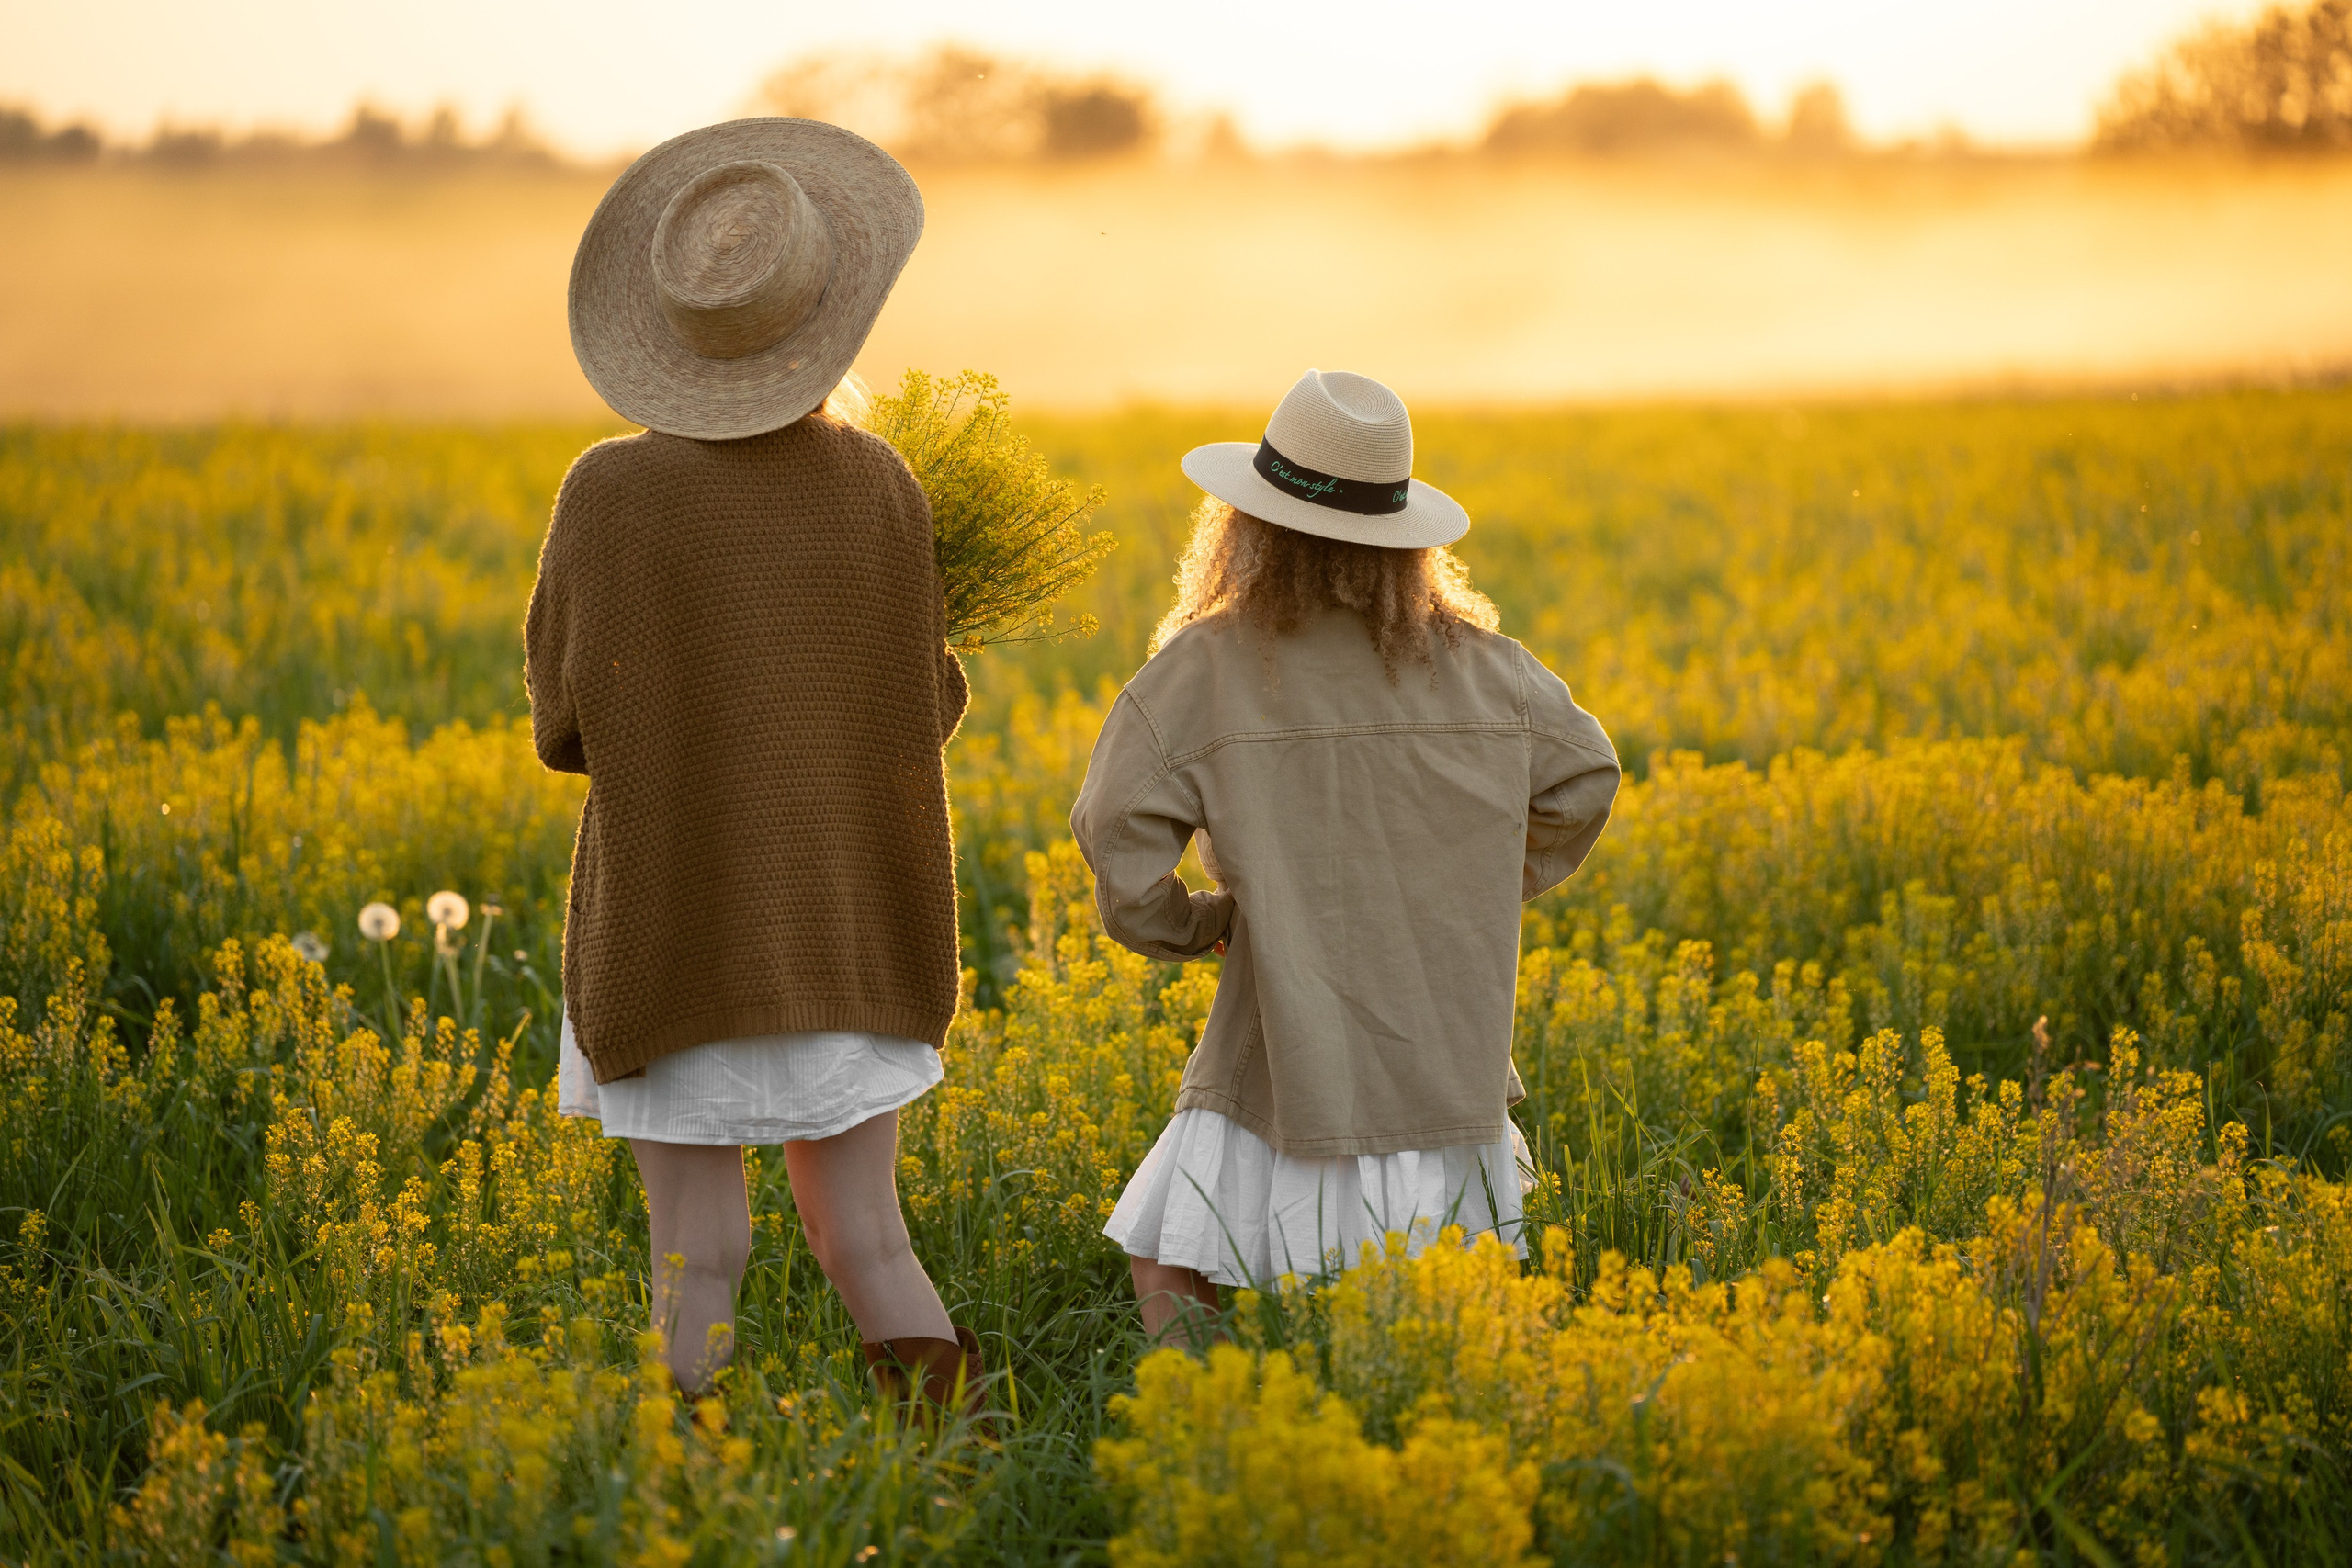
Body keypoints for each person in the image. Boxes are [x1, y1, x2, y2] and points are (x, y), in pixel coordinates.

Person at [527, 118, 979, 1410]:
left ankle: (696, 1508)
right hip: (848, 934)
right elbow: (926, 702)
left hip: (679, 928)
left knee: (698, 1261)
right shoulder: (888, 485)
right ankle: (964, 1481)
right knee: (870, 1240)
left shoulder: (607, 494)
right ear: (824, 314)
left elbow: (564, 723)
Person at [1072, 369, 1621, 1343]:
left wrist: (1199, 926)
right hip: (1441, 1057)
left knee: (1174, 1252)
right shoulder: (1489, 669)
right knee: (1433, 1309)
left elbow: (1116, 839)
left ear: (1250, 528)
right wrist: (1469, 885)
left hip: (1284, 1047)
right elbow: (1587, 777)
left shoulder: (1205, 667)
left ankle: (1202, 1430)